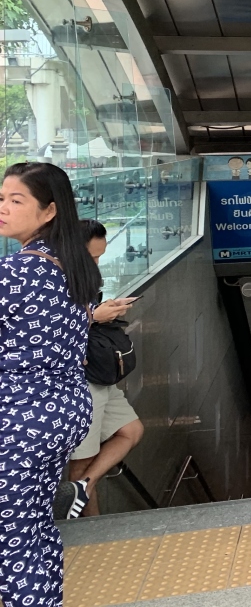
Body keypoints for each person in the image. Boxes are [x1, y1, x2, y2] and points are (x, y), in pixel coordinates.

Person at [0, 162, 99, 607]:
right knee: (34, 527)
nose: (3, 208)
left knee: (13, 539)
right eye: (1, 198)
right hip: (60, 411)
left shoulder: (16, 272)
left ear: (49, 210)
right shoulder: (72, 267)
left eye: (16, 200)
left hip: (19, 417)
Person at [64, 220, 142, 518]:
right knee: (82, 462)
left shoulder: (80, 277)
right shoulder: (49, 279)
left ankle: (82, 486)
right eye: (92, 257)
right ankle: (91, 529)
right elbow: (47, 330)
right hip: (79, 381)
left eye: (100, 257)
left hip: (100, 375)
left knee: (131, 430)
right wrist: (95, 316)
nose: (96, 264)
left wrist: (103, 310)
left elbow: (80, 314)